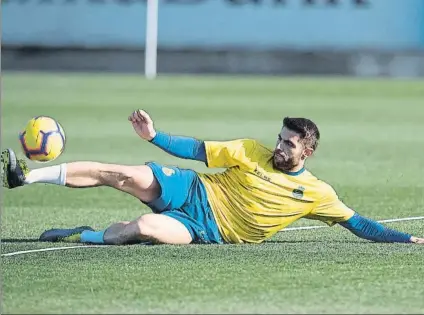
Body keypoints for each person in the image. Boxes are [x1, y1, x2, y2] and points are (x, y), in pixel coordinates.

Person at [2, 110, 423, 245]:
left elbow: (358, 223)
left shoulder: (316, 193)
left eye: (288, 145)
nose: (278, 147)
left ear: (307, 152)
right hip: (194, 188)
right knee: (119, 174)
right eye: (279, 140)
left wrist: (404, 239)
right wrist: (154, 137)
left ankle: (81, 235)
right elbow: (198, 150)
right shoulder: (250, 150)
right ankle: (27, 177)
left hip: (208, 228)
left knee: (142, 229)